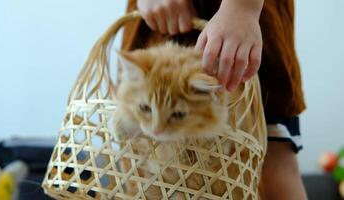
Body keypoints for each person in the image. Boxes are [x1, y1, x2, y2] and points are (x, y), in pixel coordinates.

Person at [122, 0, 308, 199]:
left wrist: (242, 8)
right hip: (157, 17)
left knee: (270, 157)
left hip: (241, 23)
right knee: (139, 166)